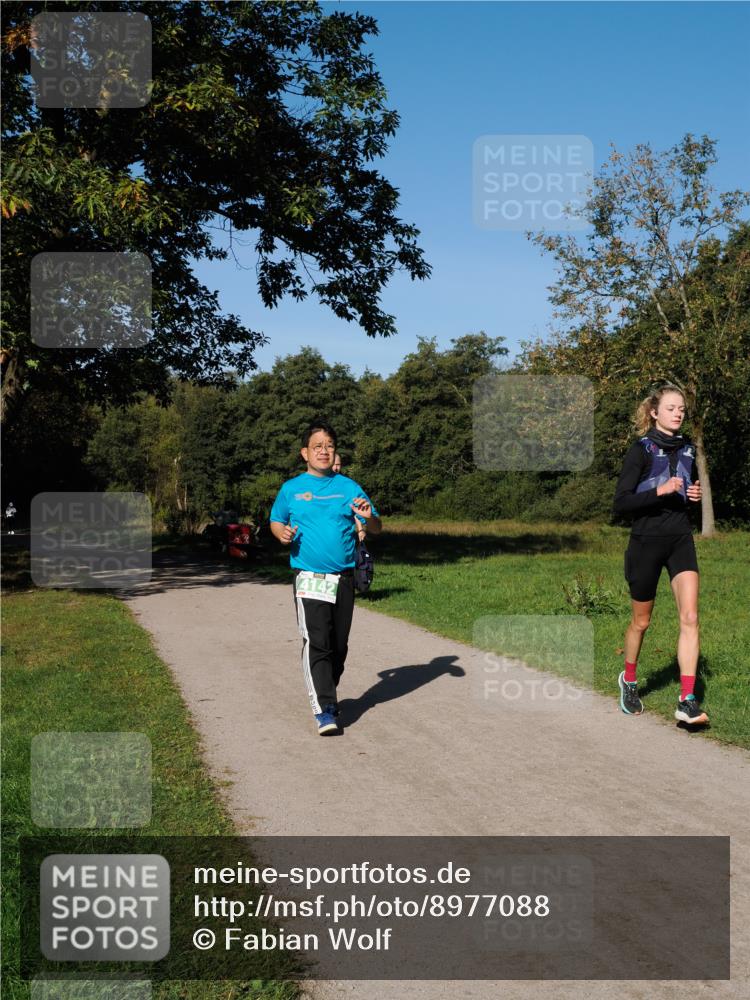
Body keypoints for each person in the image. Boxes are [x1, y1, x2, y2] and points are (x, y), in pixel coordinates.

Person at [270, 422, 381, 735]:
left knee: (338, 646)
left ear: (335, 452)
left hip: (343, 577)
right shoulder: (291, 489)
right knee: (317, 642)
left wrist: (368, 517)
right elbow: (276, 521)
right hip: (309, 576)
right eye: (317, 445)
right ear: (305, 452)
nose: (323, 450)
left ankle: (326, 692)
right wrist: (282, 534)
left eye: (328, 445)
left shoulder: (348, 487)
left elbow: (375, 527)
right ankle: (324, 709)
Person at [613, 384, 707, 726]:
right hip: (646, 542)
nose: (678, 413)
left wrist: (691, 496)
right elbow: (621, 503)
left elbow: (683, 492)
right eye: (671, 408)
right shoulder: (640, 450)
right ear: (654, 412)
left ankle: (687, 699)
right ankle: (630, 679)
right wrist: (659, 491)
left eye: (681, 408)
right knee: (641, 621)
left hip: (680, 538)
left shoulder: (687, 449)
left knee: (691, 617)